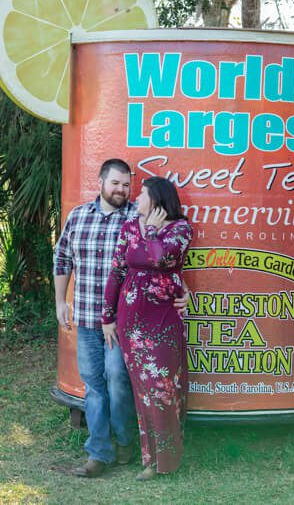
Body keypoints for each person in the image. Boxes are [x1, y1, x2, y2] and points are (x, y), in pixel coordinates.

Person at [101, 176, 194, 481]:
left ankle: (167, 457)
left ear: (156, 200)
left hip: (164, 319)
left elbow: (161, 257)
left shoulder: (180, 228)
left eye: (141, 194)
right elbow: (116, 271)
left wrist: (152, 230)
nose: (136, 199)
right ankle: (149, 460)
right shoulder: (128, 227)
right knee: (143, 392)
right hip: (132, 323)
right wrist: (107, 317)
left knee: (164, 389)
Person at [54, 159, 138, 477]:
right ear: (101, 181)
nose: (121, 190)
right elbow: (62, 257)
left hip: (122, 322)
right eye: (115, 183)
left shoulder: (136, 218)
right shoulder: (78, 217)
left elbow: (160, 257)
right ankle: (98, 454)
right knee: (94, 386)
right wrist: (61, 300)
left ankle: (126, 441)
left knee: (117, 380)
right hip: (88, 319)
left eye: (127, 185)